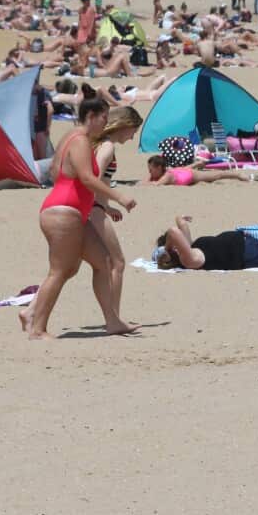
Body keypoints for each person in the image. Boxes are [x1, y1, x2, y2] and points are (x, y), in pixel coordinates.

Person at [19, 97, 138, 340]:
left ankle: (112, 321)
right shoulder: (81, 140)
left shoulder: (68, 137)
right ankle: (38, 328)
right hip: (64, 211)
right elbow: (87, 178)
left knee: (103, 263)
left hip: (70, 211)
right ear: (91, 116)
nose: (106, 122)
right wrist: (119, 197)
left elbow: (55, 170)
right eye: (104, 117)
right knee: (60, 271)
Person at [87, 107, 144, 342]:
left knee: (71, 268)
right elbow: (94, 178)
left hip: (97, 208)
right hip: (93, 211)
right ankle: (115, 319)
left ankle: (113, 318)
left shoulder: (99, 144)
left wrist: (107, 206)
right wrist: (117, 199)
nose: (132, 137)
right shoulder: (108, 147)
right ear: (124, 125)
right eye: (133, 131)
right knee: (117, 263)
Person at [144, 155, 255, 186]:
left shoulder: (165, 176)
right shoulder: (165, 171)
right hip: (182, 173)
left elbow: (156, 185)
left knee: (218, 175)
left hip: (191, 175)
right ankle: (197, 164)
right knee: (216, 175)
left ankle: (239, 175)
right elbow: (179, 169)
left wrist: (144, 182)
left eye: (150, 170)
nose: (150, 173)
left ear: (159, 168)